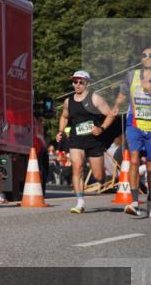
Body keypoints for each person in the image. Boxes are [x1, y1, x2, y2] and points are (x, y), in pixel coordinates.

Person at [56, 71, 115, 214]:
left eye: (80, 82)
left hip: (94, 141)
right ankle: (80, 202)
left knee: (99, 176)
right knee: (77, 166)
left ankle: (102, 181)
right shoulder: (68, 101)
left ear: (87, 83)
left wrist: (101, 128)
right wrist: (61, 131)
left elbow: (111, 114)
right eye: (75, 82)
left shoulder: (95, 98)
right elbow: (64, 117)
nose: (77, 84)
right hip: (76, 139)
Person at [113, 47, 151, 218]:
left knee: (150, 169)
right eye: (144, 55)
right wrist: (115, 106)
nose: (147, 58)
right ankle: (134, 202)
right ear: (140, 58)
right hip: (134, 124)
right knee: (134, 160)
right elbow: (122, 94)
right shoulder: (132, 76)